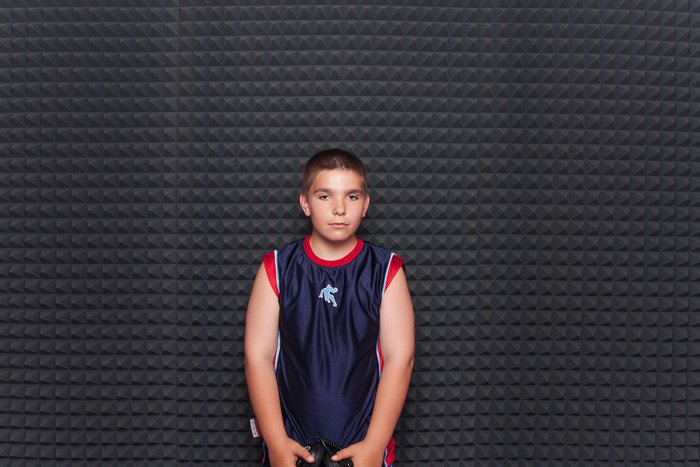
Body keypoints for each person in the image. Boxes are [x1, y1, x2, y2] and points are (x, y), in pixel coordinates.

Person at [244, 148, 415, 467]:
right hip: (293, 445)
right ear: (305, 203)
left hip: (362, 447)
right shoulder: (277, 268)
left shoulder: (386, 271)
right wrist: (277, 443)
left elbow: (399, 360)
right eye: (325, 196)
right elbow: (258, 357)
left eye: (351, 196)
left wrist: (374, 445)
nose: (339, 209)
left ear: (365, 204)